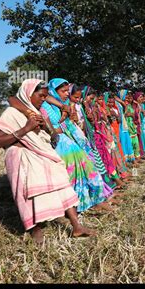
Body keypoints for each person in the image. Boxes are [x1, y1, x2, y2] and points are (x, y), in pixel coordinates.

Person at [0, 79, 96, 244]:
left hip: (42, 153)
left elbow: (45, 135)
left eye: (45, 96)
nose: (43, 99)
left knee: (61, 180)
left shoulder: (35, 112)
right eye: (40, 96)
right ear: (28, 94)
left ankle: (76, 226)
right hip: (22, 156)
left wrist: (46, 129)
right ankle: (36, 230)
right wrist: (25, 129)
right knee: (31, 193)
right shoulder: (11, 113)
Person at [39, 78, 115, 213]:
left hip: (71, 141)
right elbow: (51, 128)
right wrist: (64, 115)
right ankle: (80, 204)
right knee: (74, 176)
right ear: (53, 91)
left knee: (89, 170)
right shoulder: (45, 106)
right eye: (63, 91)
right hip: (61, 145)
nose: (67, 94)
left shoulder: (63, 104)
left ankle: (96, 200)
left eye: (67, 91)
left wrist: (65, 112)